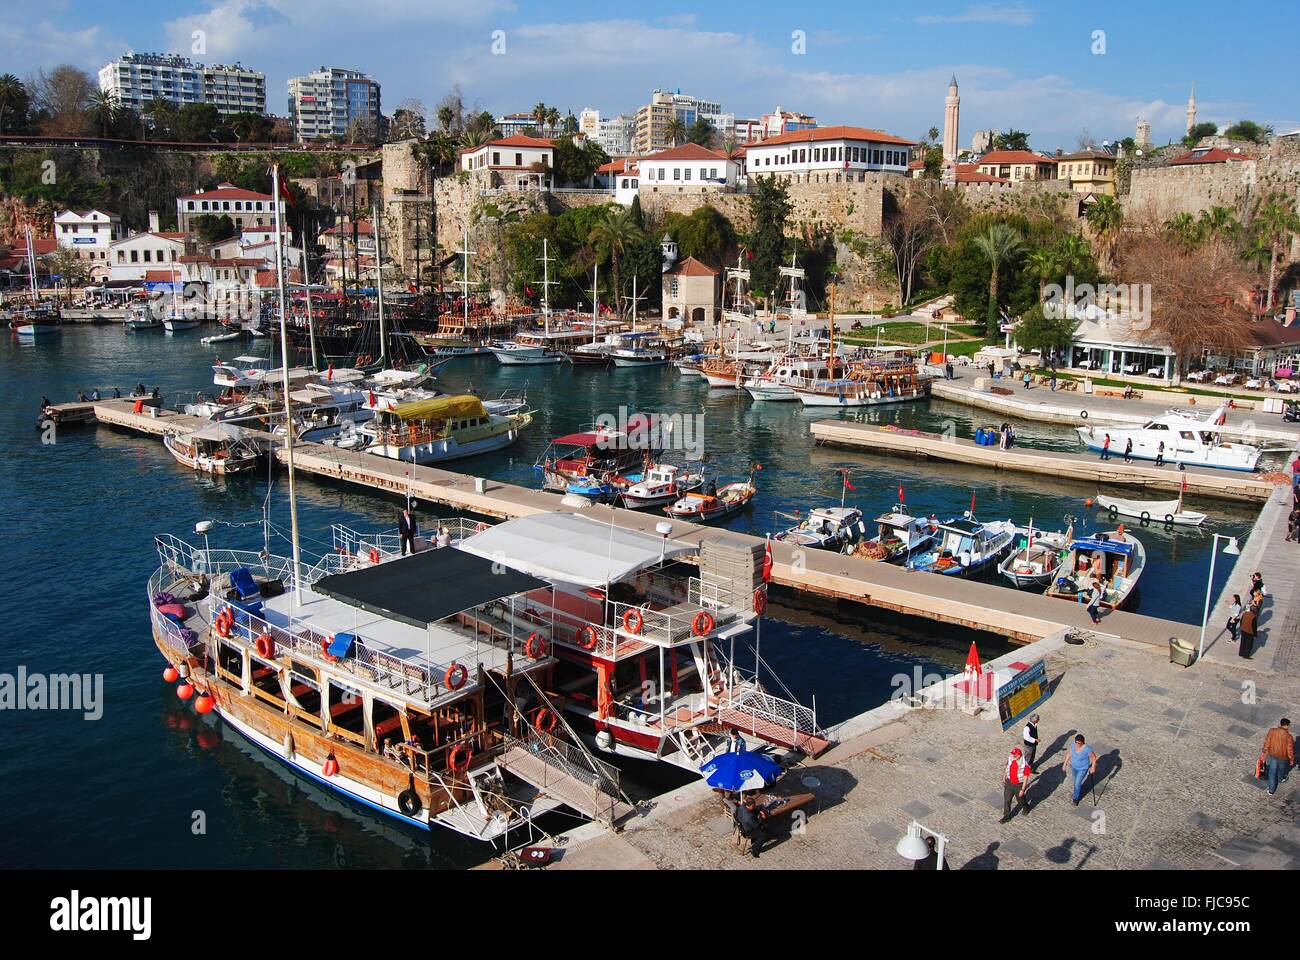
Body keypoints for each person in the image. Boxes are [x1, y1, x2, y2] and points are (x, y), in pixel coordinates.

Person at [1261, 719, 1294, 795]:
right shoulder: (1289, 737)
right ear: (1286, 725)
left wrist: (1264, 750)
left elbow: (1267, 741)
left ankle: (1271, 790)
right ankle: (1280, 778)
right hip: (1283, 757)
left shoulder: (1272, 731)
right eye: (1289, 725)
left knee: (1272, 772)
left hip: (1272, 754)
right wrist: (1291, 759)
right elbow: (1290, 750)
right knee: (1281, 769)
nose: (1289, 726)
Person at [1000, 746, 1033, 822]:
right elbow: (1007, 767)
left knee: (1020, 800)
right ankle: (1007, 816)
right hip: (1009, 783)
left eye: (1014, 755)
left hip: (1019, 785)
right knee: (1007, 800)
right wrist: (1004, 776)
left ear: (1019, 756)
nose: (1013, 756)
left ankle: (1026, 807)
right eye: (1012, 755)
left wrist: (1022, 789)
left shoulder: (1025, 765)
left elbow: (1025, 777)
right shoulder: (1010, 759)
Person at [1064, 734, 1097, 806]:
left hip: (1082, 768)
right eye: (1076, 742)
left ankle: (1075, 799)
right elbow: (1069, 754)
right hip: (1073, 767)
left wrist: (1093, 767)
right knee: (1076, 782)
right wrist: (1065, 763)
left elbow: (1093, 757)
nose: (1077, 744)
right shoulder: (1073, 745)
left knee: (1077, 783)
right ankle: (1076, 792)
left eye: (1079, 743)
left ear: (1083, 742)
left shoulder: (1087, 749)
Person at [734, 794, 768, 858]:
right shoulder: (749, 817)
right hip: (748, 830)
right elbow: (757, 825)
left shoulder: (742, 807)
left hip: (743, 822)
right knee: (763, 835)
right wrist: (762, 817)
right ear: (751, 805)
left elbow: (739, 811)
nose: (755, 805)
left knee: (758, 809)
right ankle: (755, 849)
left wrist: (757, 810)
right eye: (754, 805)